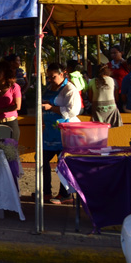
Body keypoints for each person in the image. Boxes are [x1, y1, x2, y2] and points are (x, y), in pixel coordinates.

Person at [41, 63, 82, 204]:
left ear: (62, 74)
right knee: (41, 159)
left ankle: (65, 194)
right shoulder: (49, 87)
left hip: (64, 131)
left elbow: (73, 111)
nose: (50, 80)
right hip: (48, 131)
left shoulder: (70, 89)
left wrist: (52, 108)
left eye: (53, 77)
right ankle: (46, 191)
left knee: (62, 162)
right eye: (48, 77)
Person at [0, 61, 21, 143]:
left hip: (10, 123)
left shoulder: (14, 87)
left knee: (10, 152)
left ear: (6, 73)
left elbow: (17, 106)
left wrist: (0, 111)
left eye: (0, 71)